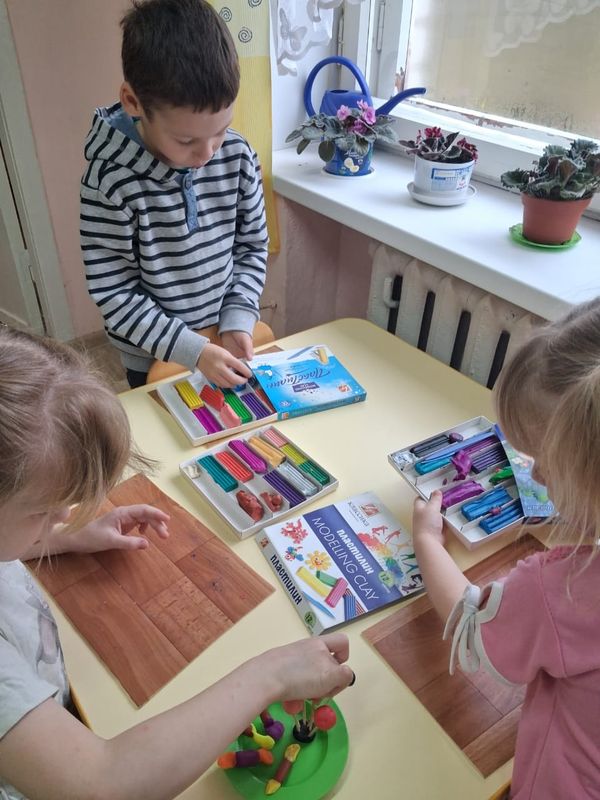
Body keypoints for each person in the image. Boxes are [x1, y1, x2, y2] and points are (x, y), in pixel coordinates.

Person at [0, 326, 354, 800]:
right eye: (43, 509)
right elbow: (101, 783)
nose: (65, 513)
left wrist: (63, 537)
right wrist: (272, 674)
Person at [412, 298, 600, 799]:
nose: (534, 474)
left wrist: (427, 541)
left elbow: (470, 627)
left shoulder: (563, 590)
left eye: (545, 459)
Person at [80, 0, 270, 390]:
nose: (207, 154)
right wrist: (192, 350)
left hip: (224, 335)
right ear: (133, 102)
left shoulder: (237, 156)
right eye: (186, 140)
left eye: (221, 130)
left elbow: (252, 247)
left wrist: (238, 316)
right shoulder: (110, 182)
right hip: (153, 355)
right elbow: (115, 293)